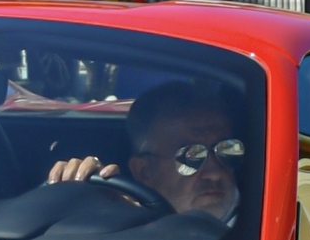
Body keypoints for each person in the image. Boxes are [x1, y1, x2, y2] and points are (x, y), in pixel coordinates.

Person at [47, 80, 244, 223]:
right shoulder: (129, 225)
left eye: (226, 151)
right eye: (190, 156)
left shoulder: (263, 217)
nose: (215, 172)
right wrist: (81, 192)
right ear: (145, 172)